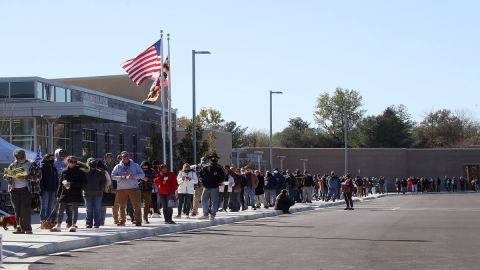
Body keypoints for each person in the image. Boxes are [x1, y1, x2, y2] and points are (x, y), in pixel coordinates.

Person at [3, 149, 41, 234]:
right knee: (17, 210)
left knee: (25, 209)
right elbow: (8, 176)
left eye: (20, 157)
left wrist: (25, 177)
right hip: (14, 190)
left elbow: (38, 176)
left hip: (26, 189)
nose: (18, 159)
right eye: (17, 157)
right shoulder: (13, 164)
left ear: (24, 156)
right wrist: (6, 176)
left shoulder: (31, 164)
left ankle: (27, 228)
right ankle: (19, 228)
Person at [50, 156, 86, 232]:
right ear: (67, 161)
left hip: (75, 192)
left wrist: (71, 184)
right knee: (61, 209)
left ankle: (73, 225)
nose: (72, 163)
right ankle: (58, 226)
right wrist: (58, 195)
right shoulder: (64, 171)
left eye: (74, 162)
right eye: (71, 161)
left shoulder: (80, 172)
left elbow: (84, 183)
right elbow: (60, 184)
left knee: (74, 209)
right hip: (65, 192)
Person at [111, 151, 144, 226]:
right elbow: (112, 176)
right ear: (121, 157)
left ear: (128, 157)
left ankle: (138, 221)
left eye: (126, 156)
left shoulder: (135, 165)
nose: (125, 158)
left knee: (136, 205)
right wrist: (121, 177)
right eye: (123, 156)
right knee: (121, 205)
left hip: (133, 188)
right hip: (121, 189)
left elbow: (142, 174)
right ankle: (122, 221)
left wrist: (133, 176)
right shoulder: (117, 166)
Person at [198, 153, 225, 220]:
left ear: (217, 160)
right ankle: (205, 214)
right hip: (206, 187)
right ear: (209, 160)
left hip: (215, 187)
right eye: (211, 159)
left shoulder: (219, 168)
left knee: (214, 201)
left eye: (215, 159)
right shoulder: (205, 168)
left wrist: (219, 182)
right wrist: (201, 181)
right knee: (203, 200)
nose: (213, 160)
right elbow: (200, 175)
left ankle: (212, 214)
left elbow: (223, 177)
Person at [83, 158, 106, 228]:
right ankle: (88, 223)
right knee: (88, 209)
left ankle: (97, 223)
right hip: (87, 193)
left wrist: (100, 189)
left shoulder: (100, 172)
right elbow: (82, 181)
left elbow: (103, 181)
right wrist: (84, 188)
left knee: (97, 209)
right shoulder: (84, 172)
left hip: (98, 194)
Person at [39, 153, 59, 228]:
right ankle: (43, 221)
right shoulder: (42, 167)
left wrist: (56, 189)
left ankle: (48, 221)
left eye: (53, 158)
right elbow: (40, 180)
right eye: (51, 158)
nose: (53, 160)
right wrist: (41, 189)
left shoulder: (54, 168)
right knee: (44, 206)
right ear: (46, 158)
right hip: (45, 190)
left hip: (53, 190)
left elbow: (57, 180)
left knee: (50, 207)